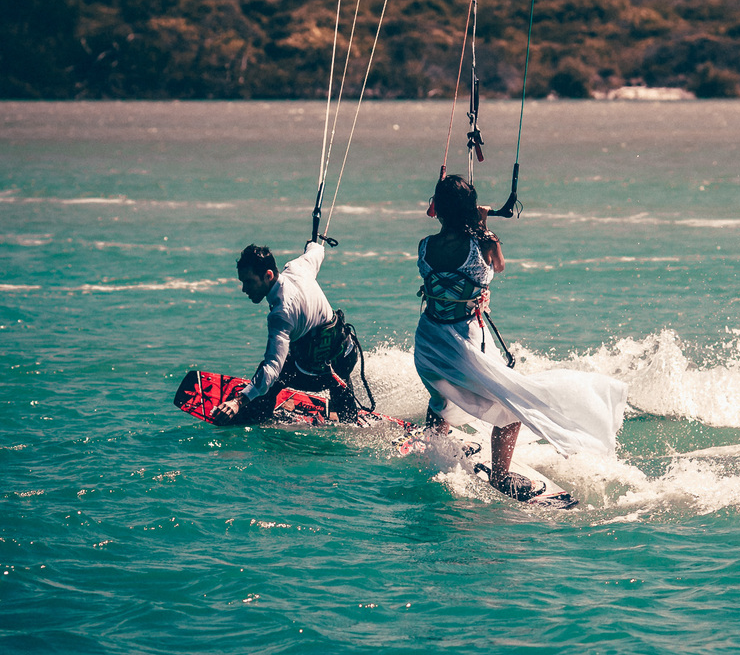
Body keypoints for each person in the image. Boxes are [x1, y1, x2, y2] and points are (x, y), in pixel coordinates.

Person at [415, 174, 628, 500]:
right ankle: (500, 478)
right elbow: (497, 267)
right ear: (469, 210)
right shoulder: (483, 243)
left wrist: (468, 217)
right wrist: (483, 226)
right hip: (461, 342)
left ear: (439, 210)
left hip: (428, 341)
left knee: (441, 396)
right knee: (512, 410)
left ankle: (431, 455)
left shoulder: (425, 245)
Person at [213, 241, 363, 425]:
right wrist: (313, 244)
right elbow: (316, 251)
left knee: (271, 375)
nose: (244, 289)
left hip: (319, 375)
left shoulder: (281, 313)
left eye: (249, 282)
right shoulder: (297, 268)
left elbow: (273, 368)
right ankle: (348, 413)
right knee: (331, 361)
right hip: (346, 357)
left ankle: (258, 416)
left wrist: (238, 401)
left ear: (268, 275)